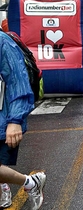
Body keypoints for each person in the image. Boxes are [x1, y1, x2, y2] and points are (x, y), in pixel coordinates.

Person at [0, 30, 46, 209]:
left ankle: (31, 183)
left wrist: (15, 121)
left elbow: (18, 82)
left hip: (5, 119)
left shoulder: (3, 42)